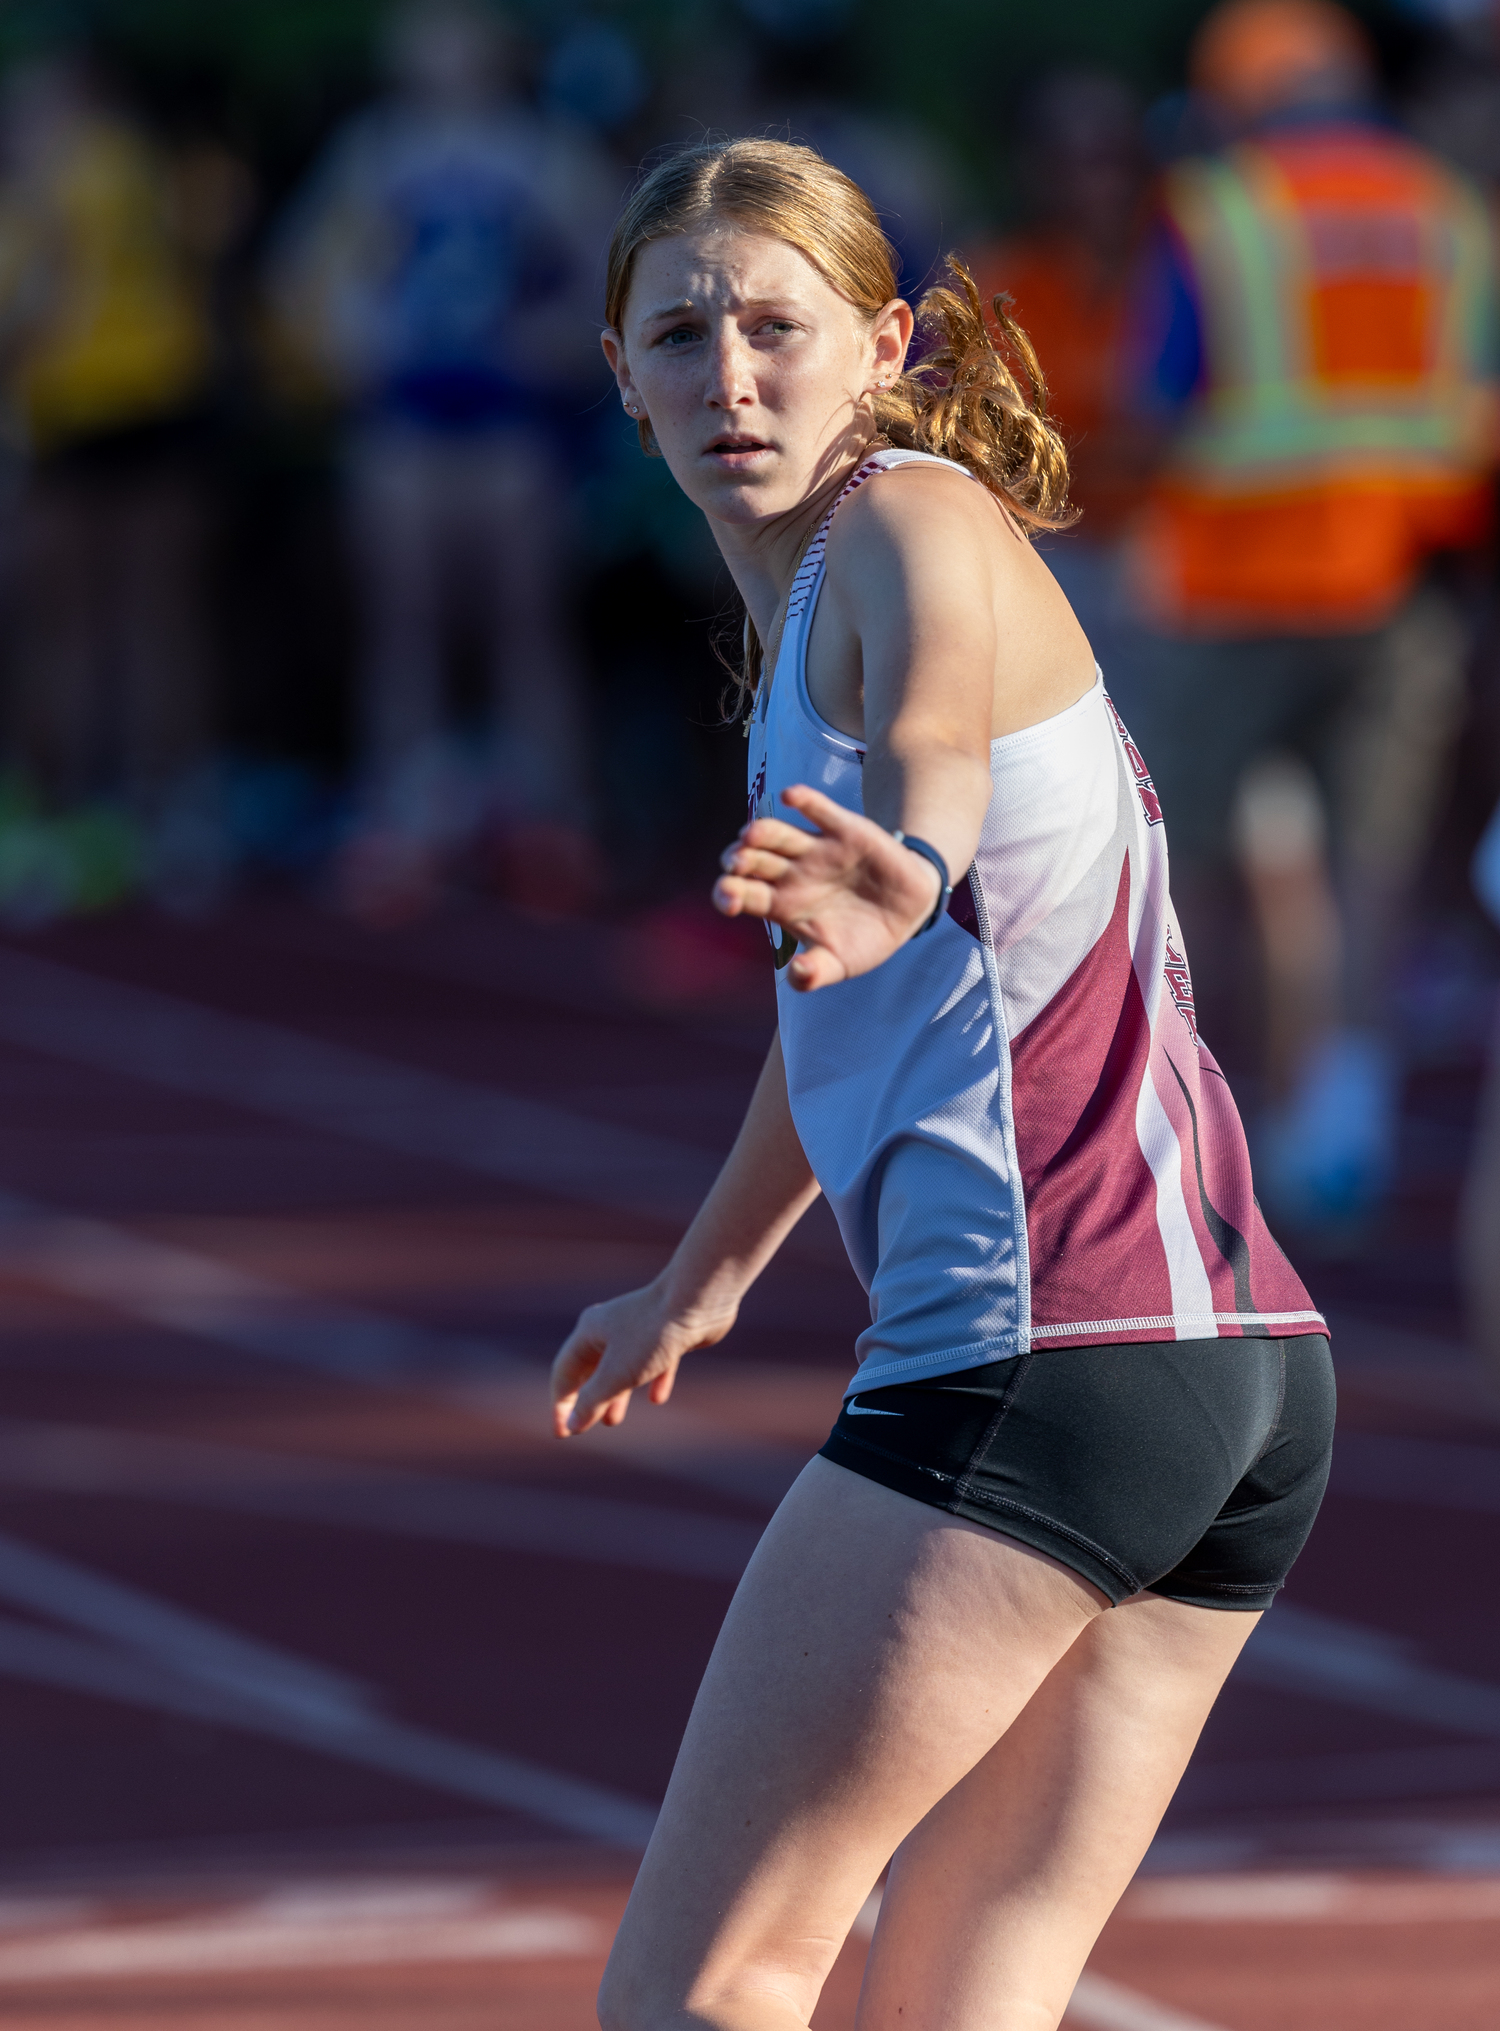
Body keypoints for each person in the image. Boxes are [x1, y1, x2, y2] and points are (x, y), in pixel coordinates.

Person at [551, 138, 1334, 2031]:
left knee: (706, 1988)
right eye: (680, 334)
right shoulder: (813, 612)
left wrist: (906, 857)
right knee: (959, 2006)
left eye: (773, 326)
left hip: (1042, 1354)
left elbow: (934, 760)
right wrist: (705, 1278)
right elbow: (842, 1021)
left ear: (883, 345)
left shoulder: (912, 524)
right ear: (621, 373)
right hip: (1227, 1369)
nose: (729, 376)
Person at [1122, 0, 1499, 1227]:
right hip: (1405, 580)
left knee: (1193, 867)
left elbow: (1159, 399)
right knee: (1372, 860)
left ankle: (1193, 1129)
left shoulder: (1222, 209)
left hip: (1237, 584)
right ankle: (1344, 1124)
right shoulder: (1450, 212)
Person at [268, 0, 612, 920]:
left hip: (508, 422)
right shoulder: (374, 150)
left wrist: (557, 338)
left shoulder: (542, 151)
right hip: (405, 421)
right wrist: (350, 344)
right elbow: (304, 270)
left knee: (525, 620)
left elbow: (613, 267)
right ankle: (405, 812)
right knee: (403, 621)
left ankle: (548, 816)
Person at [0, 51, 223, 916]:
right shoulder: (141, 163)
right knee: (153, 619)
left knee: (85, 626)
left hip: (82, 408)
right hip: (155, 399)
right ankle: (170, 813)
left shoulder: (64, 176)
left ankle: (97, 813)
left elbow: (34, 305)